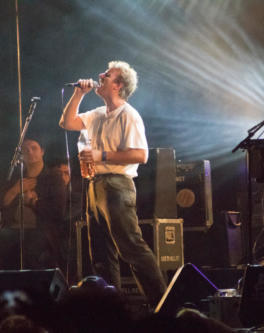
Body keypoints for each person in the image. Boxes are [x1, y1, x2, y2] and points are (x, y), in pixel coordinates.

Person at [59, 60, 166, 306]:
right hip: (95, 185)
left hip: (118, 185)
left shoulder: (129, 115)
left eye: (107, 75)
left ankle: (163, 305)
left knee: (131, 247)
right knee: (100, 255)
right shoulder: (97, 114)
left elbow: (141, 154)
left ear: (118, 85)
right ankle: (110, 310)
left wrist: (101, 155)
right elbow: (66, 123)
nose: (100, 75)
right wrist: (78, 94)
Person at [0, 138, 68, 271]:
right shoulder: (15, 178)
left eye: (34, 148)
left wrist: (33, 202)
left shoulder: (53, 178)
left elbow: (58, 212)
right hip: (13, 228)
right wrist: (14, 191)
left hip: (40, 229)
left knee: (29, 254)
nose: (29, 151)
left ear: (42, 151)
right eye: (25, 149)